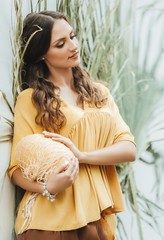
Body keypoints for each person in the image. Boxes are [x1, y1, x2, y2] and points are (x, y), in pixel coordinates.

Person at [8, 10, 136, 240]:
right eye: (60, 44)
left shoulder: (99, 93)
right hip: (50, 220)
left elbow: (128, 149)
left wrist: (82, 155)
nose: (72, 46)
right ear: (42, 55)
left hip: (95, 216)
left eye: (72, 36)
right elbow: (16, 170)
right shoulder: (30, 99)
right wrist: (48, 187)